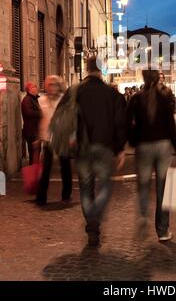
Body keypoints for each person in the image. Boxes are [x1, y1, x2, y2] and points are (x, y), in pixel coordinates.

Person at [127, 69, 176, 242]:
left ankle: (143, 216)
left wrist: (131, 141)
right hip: (162, 145)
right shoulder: (165, 98)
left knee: (144, 185)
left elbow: (127, 122)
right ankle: (162, 230)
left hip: (143, 145)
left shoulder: (136, 98)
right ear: (157, 80)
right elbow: (171, 126)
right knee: (163, 188)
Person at [75, 56, 127, 248]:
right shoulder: (111, 94)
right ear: (101, 69)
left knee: (85, 189)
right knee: (105, 186)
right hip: (104, 146)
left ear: (87, 69)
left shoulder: (77, 92)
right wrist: (120, 148)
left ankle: (92, 223)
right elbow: (120, 122)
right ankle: (95, 218)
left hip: (82, 146)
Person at [36, 76, 72, 206]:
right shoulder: (41, 100)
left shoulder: (64, 100)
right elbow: (42, 120)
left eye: (53, 84)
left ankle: (66, 194)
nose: (50, 87)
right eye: (48, 84)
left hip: (62, 138)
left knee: (65, 167)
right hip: (47, 138)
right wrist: (39, 137)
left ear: (58, 86)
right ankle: (41, 198)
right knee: (46, 169)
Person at [21, 82, 41, 165]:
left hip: (35, 129)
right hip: (31, 131)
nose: (37, 88)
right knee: (33, 152)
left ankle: (34, 169)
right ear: (29, 90)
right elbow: (28, 113)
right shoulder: (27, 100)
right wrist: (41, 112)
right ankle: (32, 170)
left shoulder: (33, 99)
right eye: (34, 87)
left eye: (36, 87)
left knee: (37, 151)